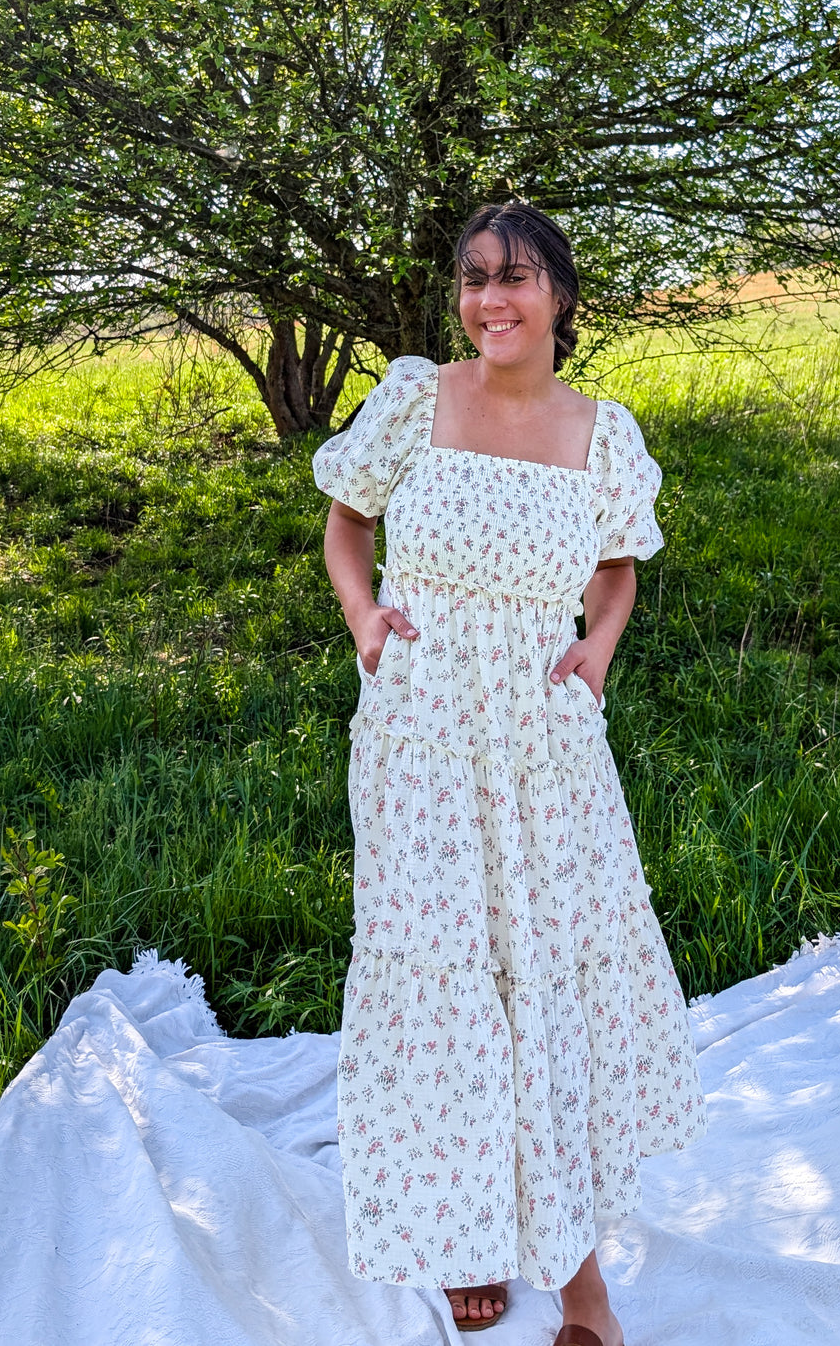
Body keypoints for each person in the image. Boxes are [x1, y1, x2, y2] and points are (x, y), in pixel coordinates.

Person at [313, 203, 706, 1346]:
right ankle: (465, 1231)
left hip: (542, 737)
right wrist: (363, 620)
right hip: (423, 726)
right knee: (446, 976)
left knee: (542, 976)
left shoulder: (604, 431)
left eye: (518, 277)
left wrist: (597, 652)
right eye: (475, 278)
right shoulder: (413, 398)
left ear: (561, 297)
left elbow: (617, 569)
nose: (491, 299)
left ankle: (581, 1284)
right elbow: (346, 526)